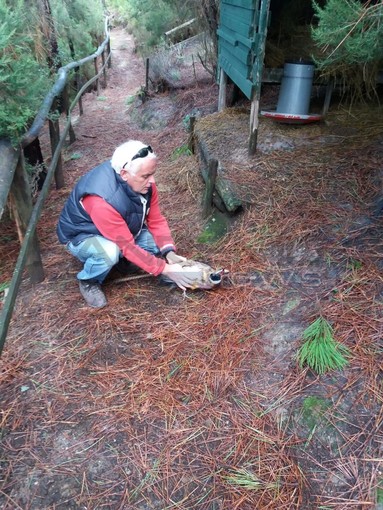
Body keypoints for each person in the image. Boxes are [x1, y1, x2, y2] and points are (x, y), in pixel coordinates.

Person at [57, 140, 201, 308]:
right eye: (146, 176)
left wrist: (168, 252)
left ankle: (123, 264)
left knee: (157, 245)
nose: (152, 181)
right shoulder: (101, 200)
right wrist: (165, 269)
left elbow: (156, 220)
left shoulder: (143, 182)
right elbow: (127, 245)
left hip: (117, 228)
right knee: (109, 253)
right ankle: (89, 281)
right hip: (83, 234)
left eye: (152, 173)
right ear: (124, 174)